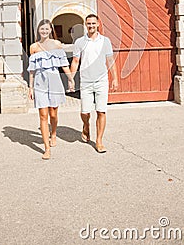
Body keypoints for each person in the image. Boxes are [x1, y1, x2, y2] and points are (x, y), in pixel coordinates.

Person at [70, 14, 118, 153]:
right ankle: (86, 126)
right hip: (85, 81)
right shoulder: (79, 42)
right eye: (88, 24)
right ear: (86, 25)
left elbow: (110, 60)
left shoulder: (105, 41)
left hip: (102, 80)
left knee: (101, 111)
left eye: (93, 23)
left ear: (98, 24)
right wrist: (71, 78)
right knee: (85, 112)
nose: (91, 26)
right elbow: (75, 61)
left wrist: (115, 78)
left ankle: (99, 141)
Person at [28, 19, 75, 160]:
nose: (44, 31)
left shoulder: (57, 44)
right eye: (42, 29)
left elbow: (63, 64)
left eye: (47, 29)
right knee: (43, 115)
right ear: (38, 31)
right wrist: (30, 87)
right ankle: (46, 148)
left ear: (50, 30)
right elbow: (32, 70)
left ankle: (53, 133)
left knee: (53, 114)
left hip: (54, 79)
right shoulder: (34, 47)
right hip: (40, 81)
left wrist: (70, 78)